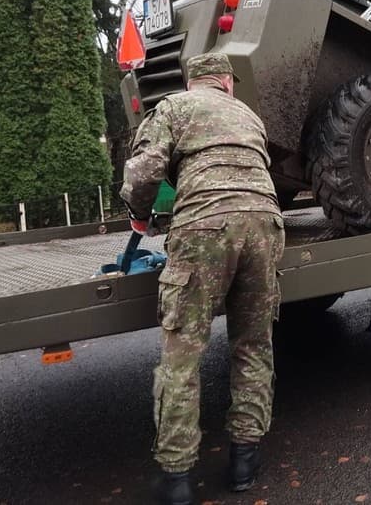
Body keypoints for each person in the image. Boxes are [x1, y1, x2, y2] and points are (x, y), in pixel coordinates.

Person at [121, 51, 284, 505]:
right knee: (253, 344)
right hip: (265, 225)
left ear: (193, 82)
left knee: (183, 352)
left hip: (203, 227)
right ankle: (244, 462)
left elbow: (144, 173)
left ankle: (176, 479)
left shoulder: (174, 106)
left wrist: (139, 215)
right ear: (227, 83)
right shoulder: (250, 115)